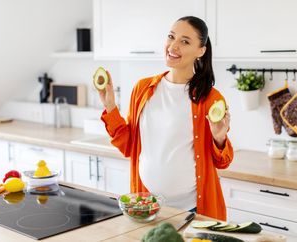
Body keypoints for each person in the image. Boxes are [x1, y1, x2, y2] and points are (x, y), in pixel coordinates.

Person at [98, 16, 234, 220]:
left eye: (185, 41)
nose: (173, 45)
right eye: (171, 36)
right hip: (147, 207)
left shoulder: (210, 98)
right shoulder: (142, 89)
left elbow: (222, 162)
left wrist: (219, 138)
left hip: (193, 210)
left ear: (201, 51)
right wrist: (110, 106)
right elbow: (129, 146)